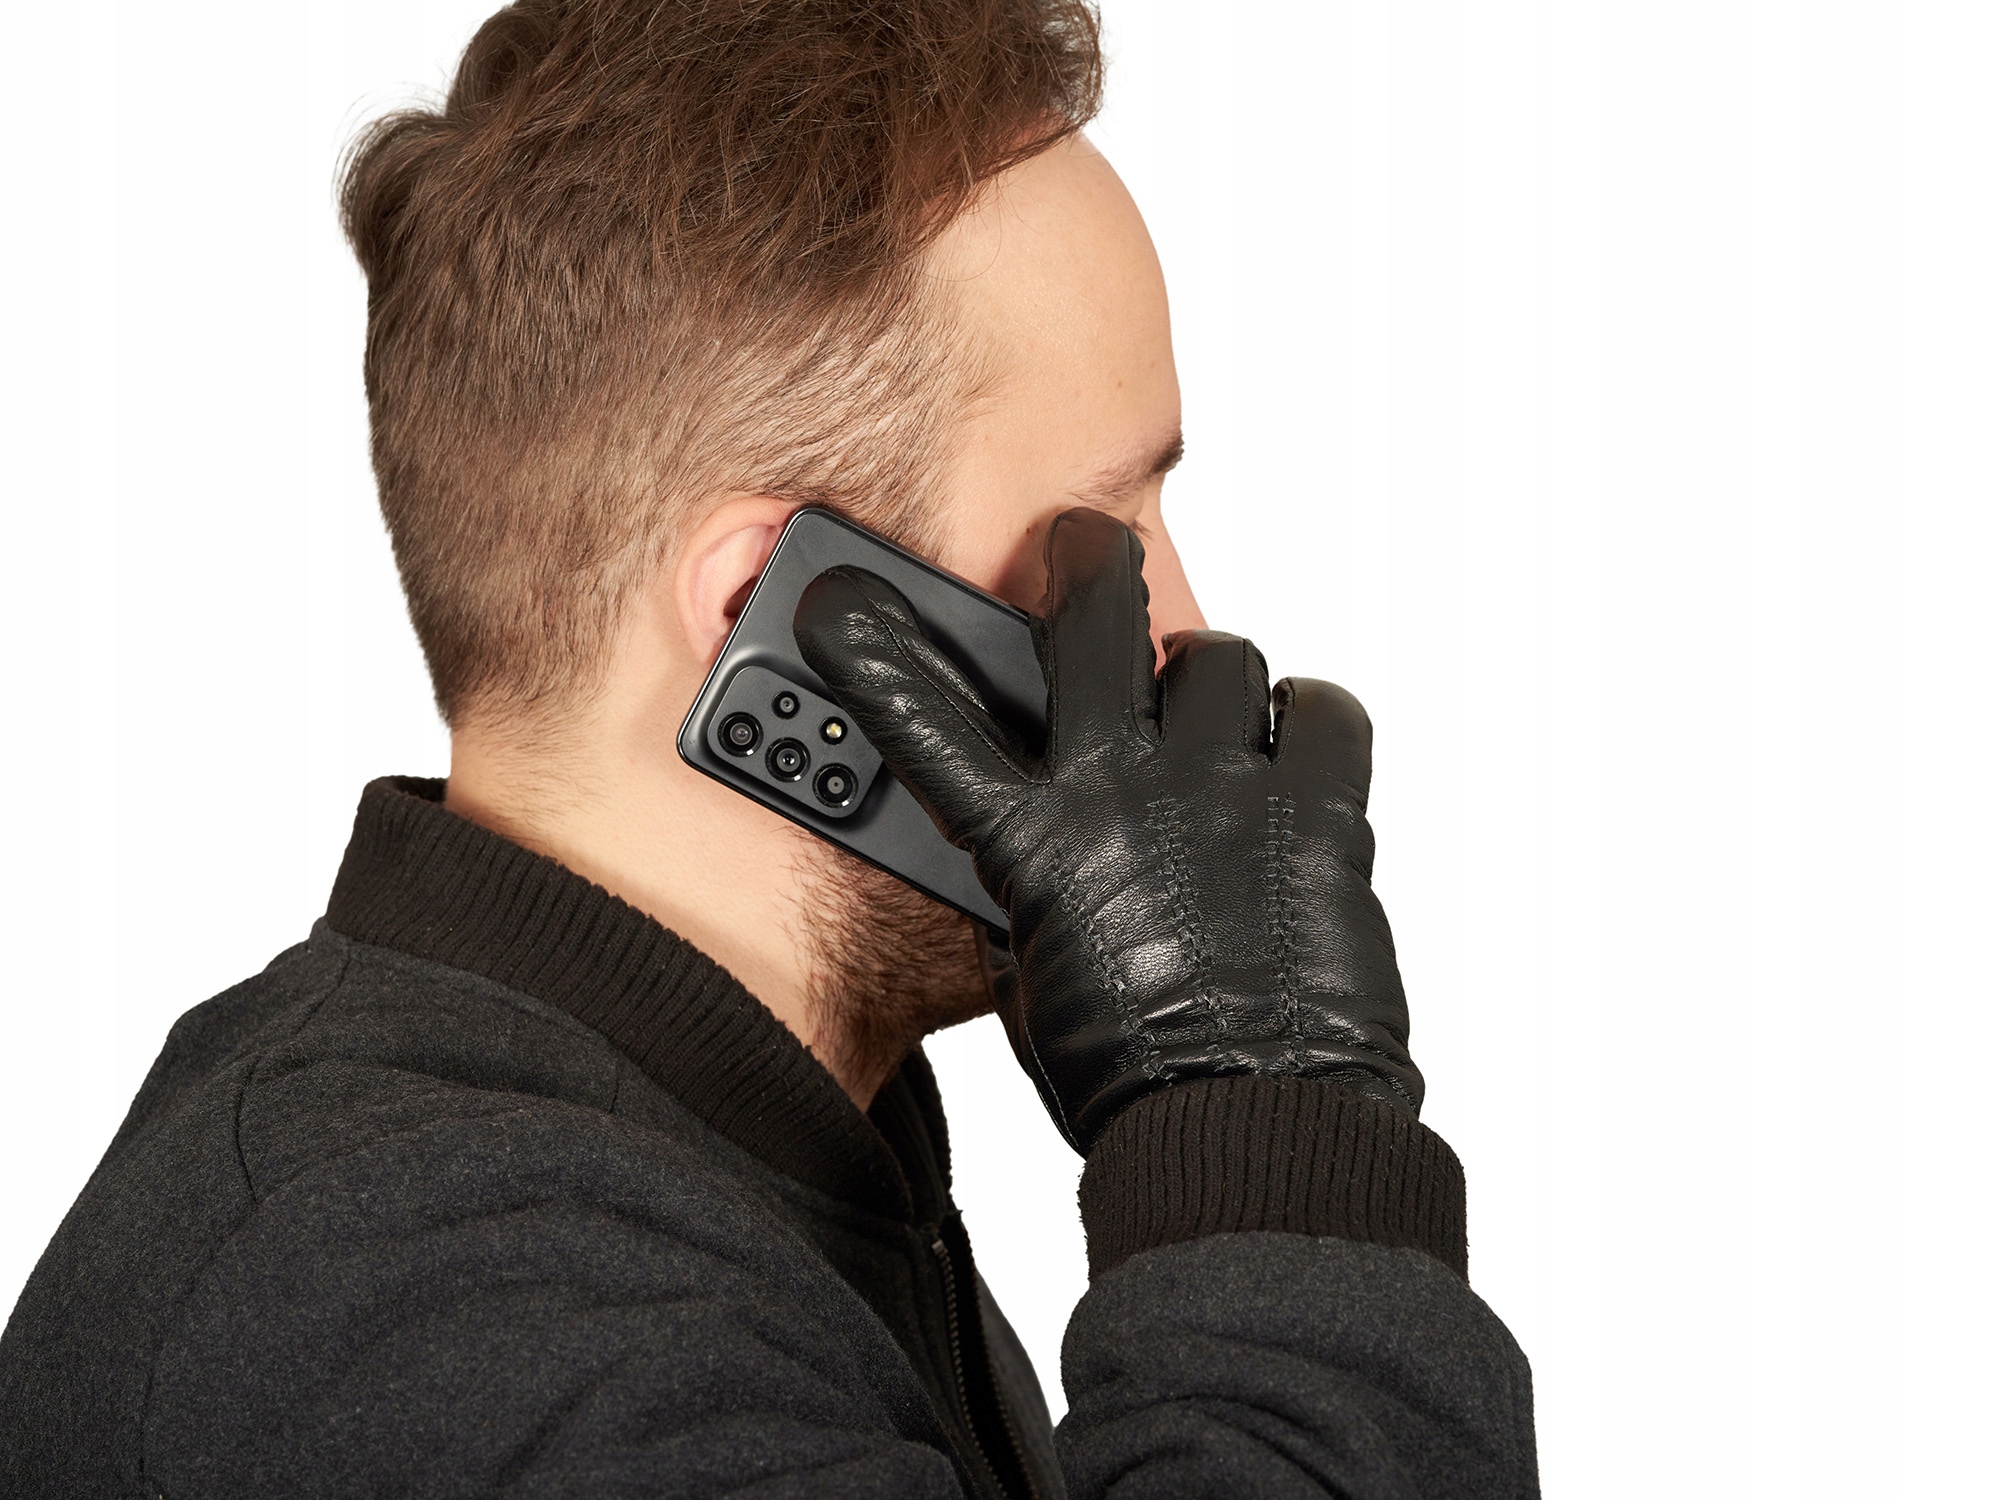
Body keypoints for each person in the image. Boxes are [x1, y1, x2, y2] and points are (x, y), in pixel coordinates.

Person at [0, 1, 1539, 1494]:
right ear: (781, 619)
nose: (1189, 635)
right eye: (1104, 541)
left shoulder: (727, 1161)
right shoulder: (441, 1307)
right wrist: (1263, 1123)